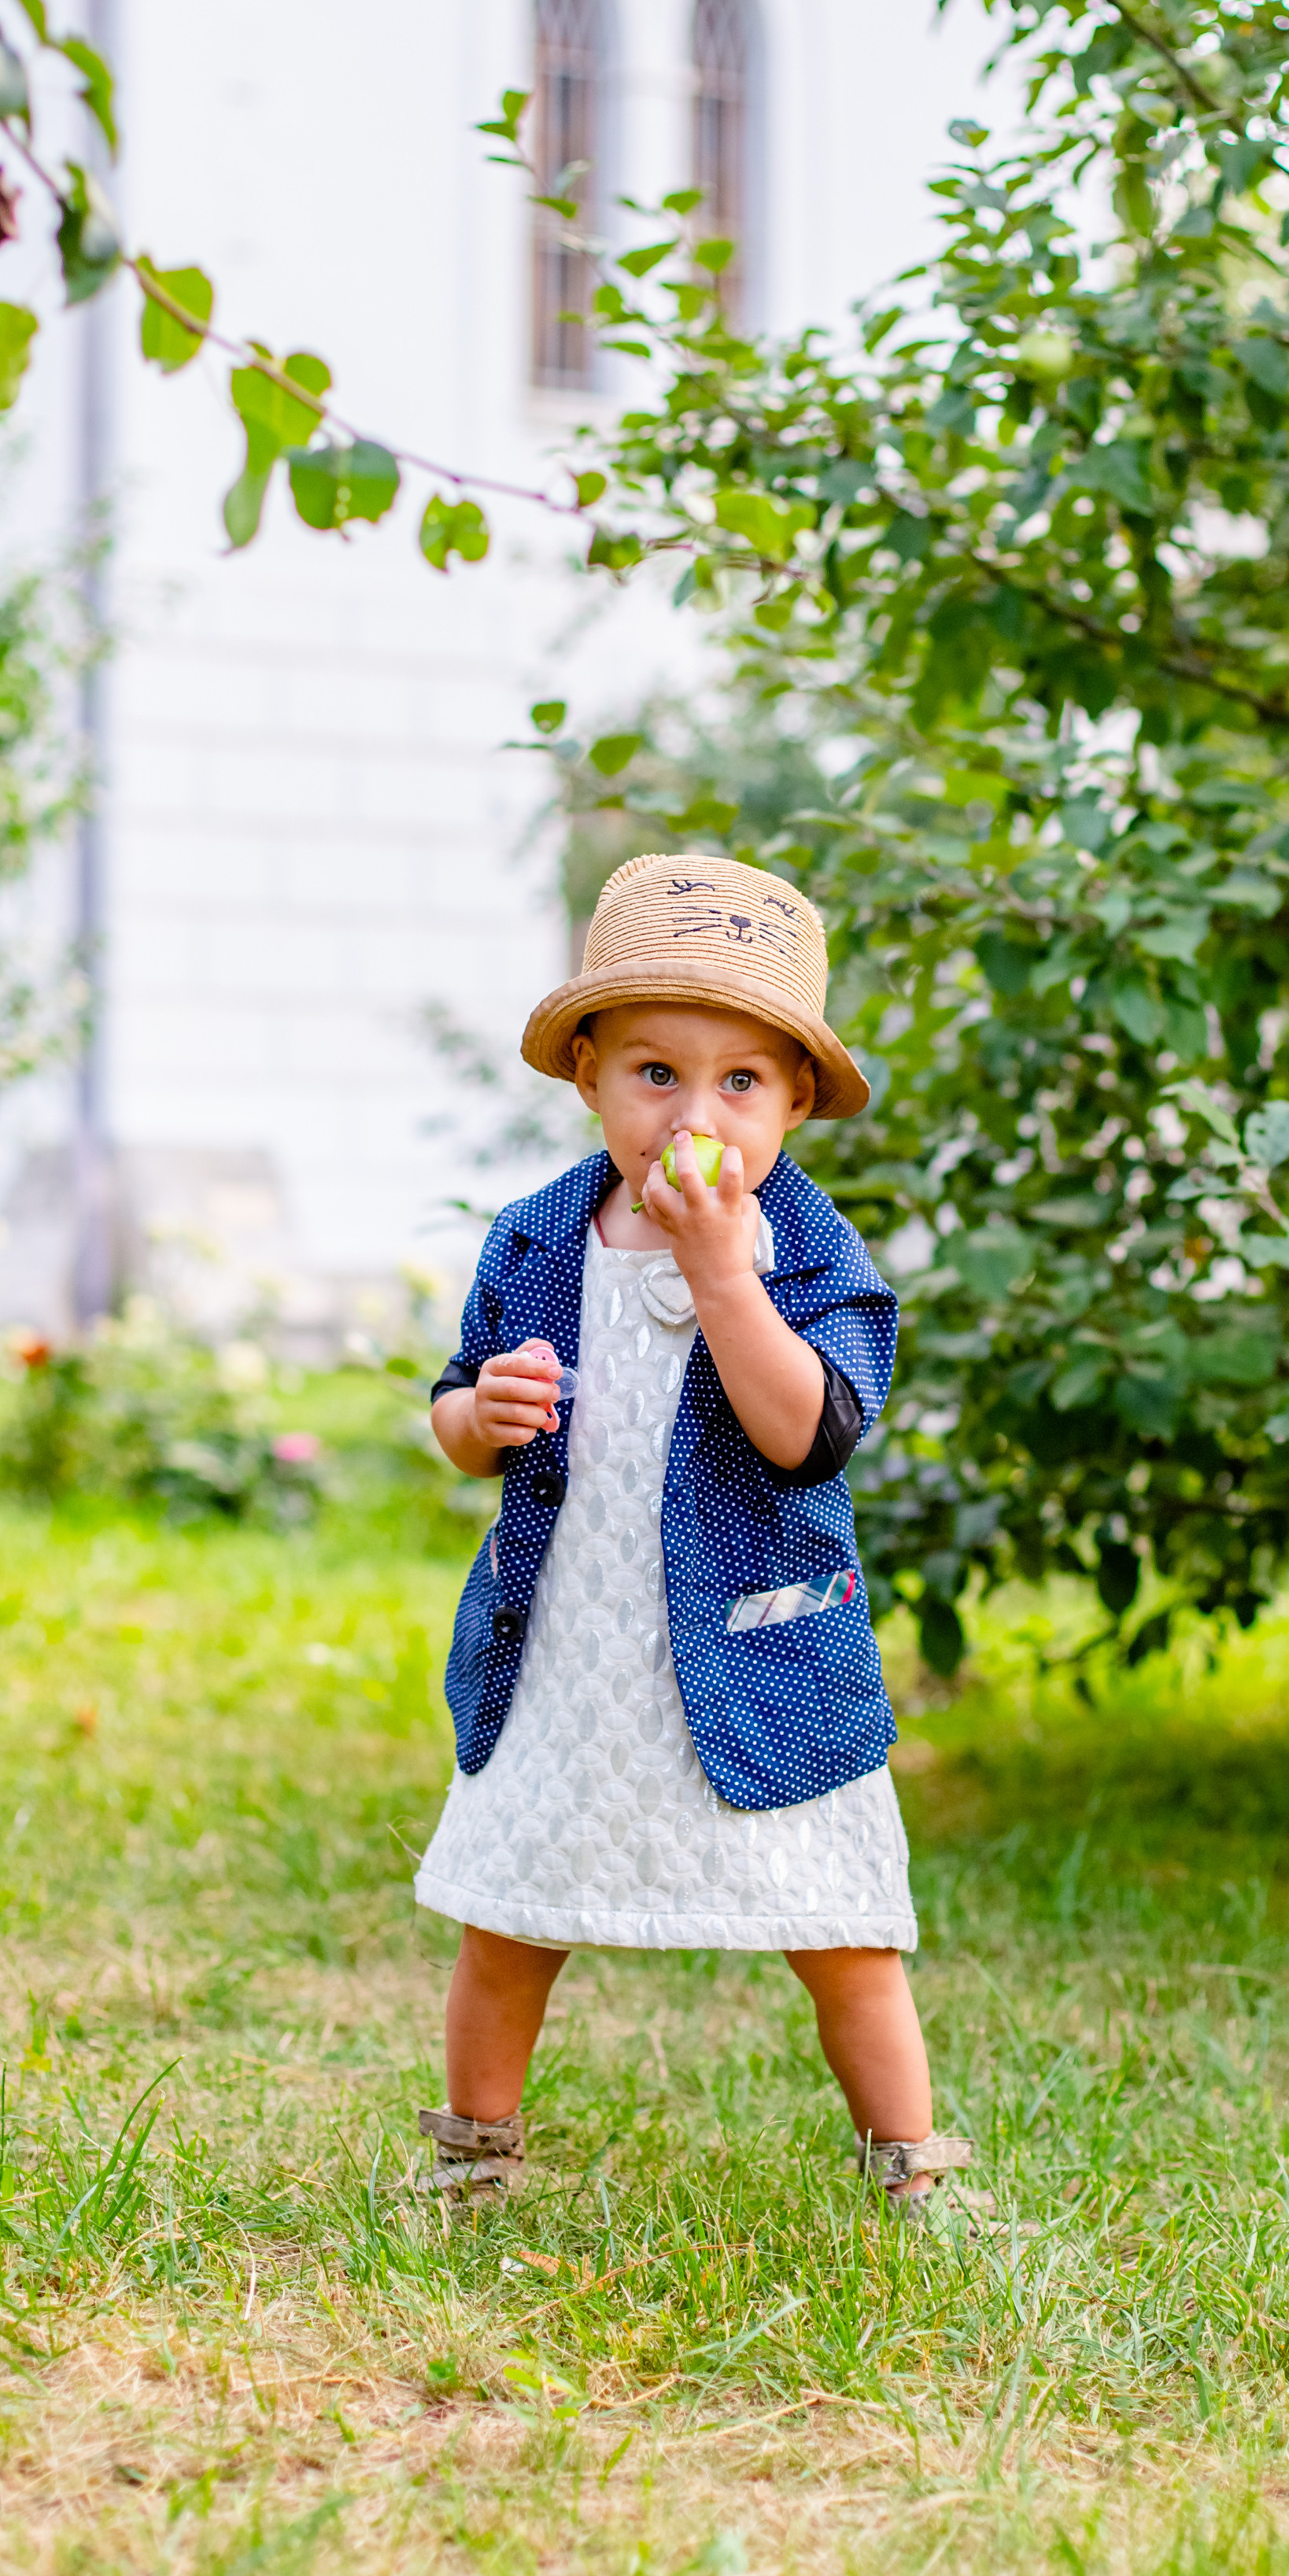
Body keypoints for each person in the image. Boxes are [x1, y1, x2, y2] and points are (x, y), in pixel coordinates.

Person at [409, 851, 974, 2221]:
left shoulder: (807, 1254)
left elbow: (808, 1433)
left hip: (757, 1646)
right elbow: (451, 1405)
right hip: (573, 1645)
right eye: (656, 1073)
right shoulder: (540, 1237)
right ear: (592, 1074)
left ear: (791, 1101)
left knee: (842, 1928)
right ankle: (470, 2159)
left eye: (739, 1082)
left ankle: (913, 2167)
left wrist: (725, 1273)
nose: (692, 1111)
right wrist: (482, 1414)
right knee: (510, 1918)